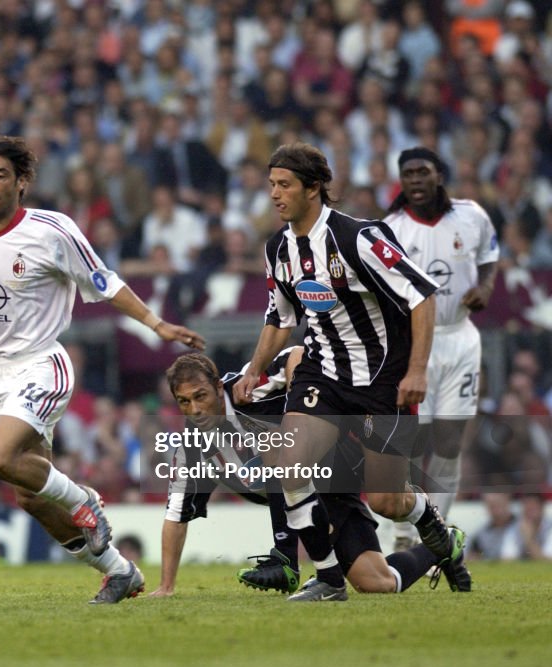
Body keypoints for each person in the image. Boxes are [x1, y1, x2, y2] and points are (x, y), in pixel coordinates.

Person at [0, 135, 206, 604]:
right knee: (29, 494)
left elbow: (105, 282)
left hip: (42, 362)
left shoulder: (51, 230)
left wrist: (156, 322)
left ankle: (85, 500)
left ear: (22, 182)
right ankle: (119, 571)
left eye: (0, 175)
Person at [232, 142, 470, 601]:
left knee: (387, 501)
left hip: (384, 381)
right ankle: (327, 578)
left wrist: (416, 370)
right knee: (291, 464)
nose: (275, 195)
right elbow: (280, 319)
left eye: (285, 185)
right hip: (323, 374)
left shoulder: (359, 238)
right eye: (271, 185)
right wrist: (254, 371)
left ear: (314, 188)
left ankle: (428, 519)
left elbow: (422, 295)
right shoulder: (278, 249)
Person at [149, 351, 456, 599]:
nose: (195, 409)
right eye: (184, 402)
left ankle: (289, 560)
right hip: (314, 500)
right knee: (376, 583)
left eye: (200, 396)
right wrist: (166, 586)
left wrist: (299, 405)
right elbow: (176, 516)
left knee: (385, 499)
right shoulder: (191, 449)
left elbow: (297, 354)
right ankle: (444, 545)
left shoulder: (249, 387)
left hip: (336, 462)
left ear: (218, 387)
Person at [384, 147, 499, 550]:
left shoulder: (472, 216)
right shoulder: (391, 229)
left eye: (422, 171)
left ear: (439, 175)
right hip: (416, 346)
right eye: (408, 173)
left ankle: (435, 536)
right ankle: (401, 534)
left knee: (450, 442)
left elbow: (490, 255)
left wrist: (484, 287)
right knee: (415, 441)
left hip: (460, 337)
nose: (414, 180)